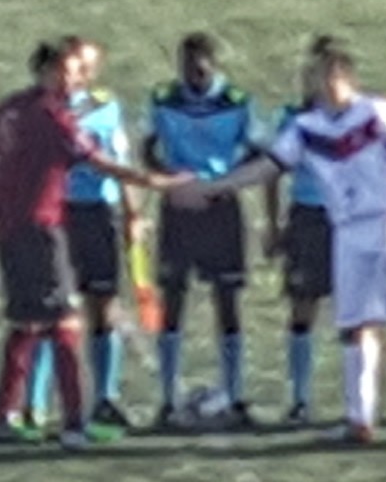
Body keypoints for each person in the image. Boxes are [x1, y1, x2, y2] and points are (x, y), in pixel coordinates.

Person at [264, 39, 386, 445]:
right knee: (353, 324)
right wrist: (213, 188)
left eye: (318, 77)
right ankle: (360, 417)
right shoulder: (307, 127)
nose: (310, 85)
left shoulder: (378, 113)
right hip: (346, 230)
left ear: (337, 77)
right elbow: (269, 166)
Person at [0, 38, 132, 444]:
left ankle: (3, 415)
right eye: (68, 70)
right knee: (64, 322)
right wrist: (155, 182)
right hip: (44, 227)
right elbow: (100, 162)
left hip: (12, 226)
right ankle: (73, 424)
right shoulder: (53, 116)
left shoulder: (10, 107)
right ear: (47, 72)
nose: (75, 78)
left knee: (26, 321)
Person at [141, 32, 257, 426]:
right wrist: (170, 181)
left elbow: (256, 151)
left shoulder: (236, 102)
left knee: (227, 301)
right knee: (172, 299)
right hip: (177, 208)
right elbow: (147, 149)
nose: (194, 74)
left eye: (201, 67)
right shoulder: (163, 99)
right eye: (187, 66)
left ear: (213, 64)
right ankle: (168, 398)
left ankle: (235, 394)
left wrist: (221, 184)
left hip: (221, 207)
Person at [58, 47, 145, 429]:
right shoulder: (46, 111)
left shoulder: (105, 109)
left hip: (98, 211)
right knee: (55, 309)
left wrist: (133, 213)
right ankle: (41, 401)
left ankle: (105, 396)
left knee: (103, 303)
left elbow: (121, 162)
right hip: (59, 213)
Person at [263, 41, 345, 422]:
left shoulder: (356, 118)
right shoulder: (291, 118)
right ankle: (299, 397)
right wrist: (274, 223)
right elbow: (273, 172)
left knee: (353, 312)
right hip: (307, 219)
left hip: (345, 221)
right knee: (302, 308)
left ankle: (357, 398)